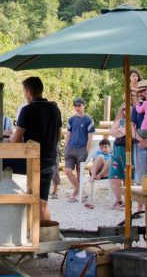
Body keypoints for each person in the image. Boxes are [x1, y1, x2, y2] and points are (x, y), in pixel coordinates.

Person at [7, 76, 62, 221]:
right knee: (42, 203)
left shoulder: (27, 110)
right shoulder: (54, 109)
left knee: (0, 165)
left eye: (24, 92)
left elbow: (16, 140)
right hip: (50, 159)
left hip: (32, 162)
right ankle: (46, 236)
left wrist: (9, 136)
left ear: (29, 91)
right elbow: (58, 135)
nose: (24, 95)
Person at [64, 98, 95, 203]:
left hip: (82, 149)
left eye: (79, 105)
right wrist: (66, 146)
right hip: (71, 148)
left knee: (79, 172)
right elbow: (68, 134)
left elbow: (90, 137)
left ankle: (75, 194)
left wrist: (87, 150)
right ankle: (82, 192)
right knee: (67, 171)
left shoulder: (88, 120)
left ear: (83, 106)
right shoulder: (71, 119)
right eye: (75, 105)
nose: (77, 107)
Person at [107, 103, 132, 210]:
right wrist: (123, 132)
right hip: (118, 150)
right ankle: (118, 200)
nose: (125, 111)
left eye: (128, 109)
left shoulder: (135, 122)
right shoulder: (120, 121)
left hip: (130, 150)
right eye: (123, 109)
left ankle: (127, 202)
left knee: (129, 178)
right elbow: (112, 132)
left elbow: (131, 134)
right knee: (114, 177)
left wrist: (122, 131)